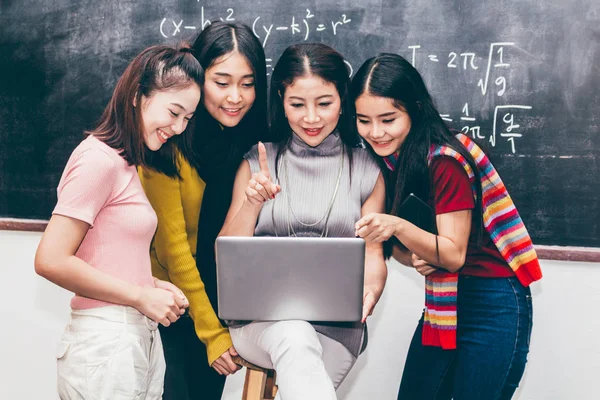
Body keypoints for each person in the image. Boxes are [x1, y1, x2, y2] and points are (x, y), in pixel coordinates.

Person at [350, 53, 543, 399]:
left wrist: (398, 227)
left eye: (388, 119)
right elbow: (403, 252)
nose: (375, 132)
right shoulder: (390, 159)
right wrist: (417, 255)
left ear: (416, 108)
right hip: (447, 298)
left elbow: (452, 254)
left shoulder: (444, 160)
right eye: (364, 120)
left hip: (492, 300)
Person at [218, 43, 387, 399]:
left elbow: (374, 256)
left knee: (302, 359)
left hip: (337, 330)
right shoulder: (257, 160)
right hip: (258, 324)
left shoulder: (367, 169)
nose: (311, 118)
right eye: (297, 104)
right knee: (294, 332)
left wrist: (371, 290)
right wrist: (251, 203)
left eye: (324, 103)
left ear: (343, 99)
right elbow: (227, 255)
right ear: (281, 100)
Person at [34, 43, 203, 399]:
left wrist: (151, 285)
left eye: (187, 118)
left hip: (131, 338)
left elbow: (102, 254)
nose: (178, 127)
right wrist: (139, 294)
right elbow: (50, 259)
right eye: (174, 112)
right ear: (139, 95)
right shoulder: (98, 160)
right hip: (107, 342)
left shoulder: (126, 163)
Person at [138, 21, 270, 399]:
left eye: (248, 83)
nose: (235, 96)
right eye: (222, 81)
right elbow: (173, 250)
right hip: (177, 297)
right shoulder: (169, 139)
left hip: (227, 296)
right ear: (198, 78)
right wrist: (211, 333)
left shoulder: (253, 142)